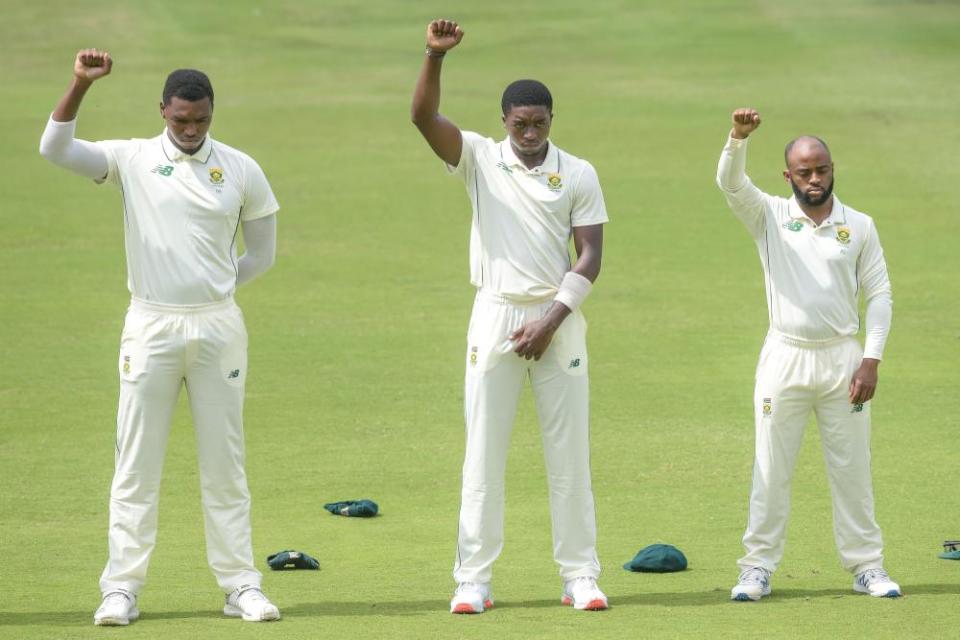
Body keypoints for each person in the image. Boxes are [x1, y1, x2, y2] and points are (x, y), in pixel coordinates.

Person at [39, 49, 281, 625]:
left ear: (211, 113)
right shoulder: (132, 158)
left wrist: (212, 290)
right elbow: (55, 148)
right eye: (179, 121)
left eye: (199, 120)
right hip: (150, 323)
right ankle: (121, 588)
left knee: (225, 462)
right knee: (136, 463)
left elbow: (263, 254)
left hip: (218, 325)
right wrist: (79, 85)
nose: (190, 131)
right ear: (163, 112)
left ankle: (239, 585)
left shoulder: (242, 168)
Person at [411, 19, 610, 614]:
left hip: (559, 316)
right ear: (504, 122)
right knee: (484, 451)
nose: (528, 133)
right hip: (495, 313)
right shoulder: (480, 157)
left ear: (553, 120)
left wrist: (550, 320)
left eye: (539, 123)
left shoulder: (577, 172)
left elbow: (591, 255)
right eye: (519, 124)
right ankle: (473, 579)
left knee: (568, 452)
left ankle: (579, 576)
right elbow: (423, 117)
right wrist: (434, 56)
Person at [716, 107, 901, 601]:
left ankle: (867, 566)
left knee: (852, 468)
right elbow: (730, 184)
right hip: (785, 356)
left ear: (832, 168)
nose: (814, 179)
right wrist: (738, 138)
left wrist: (872, 358)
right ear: (788, 176)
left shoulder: (859, 225)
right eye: (804, 172)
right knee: (771, 467)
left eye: (821, 169)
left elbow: (879, 293)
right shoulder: (770, 215)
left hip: (843, 358)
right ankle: (756, 567)